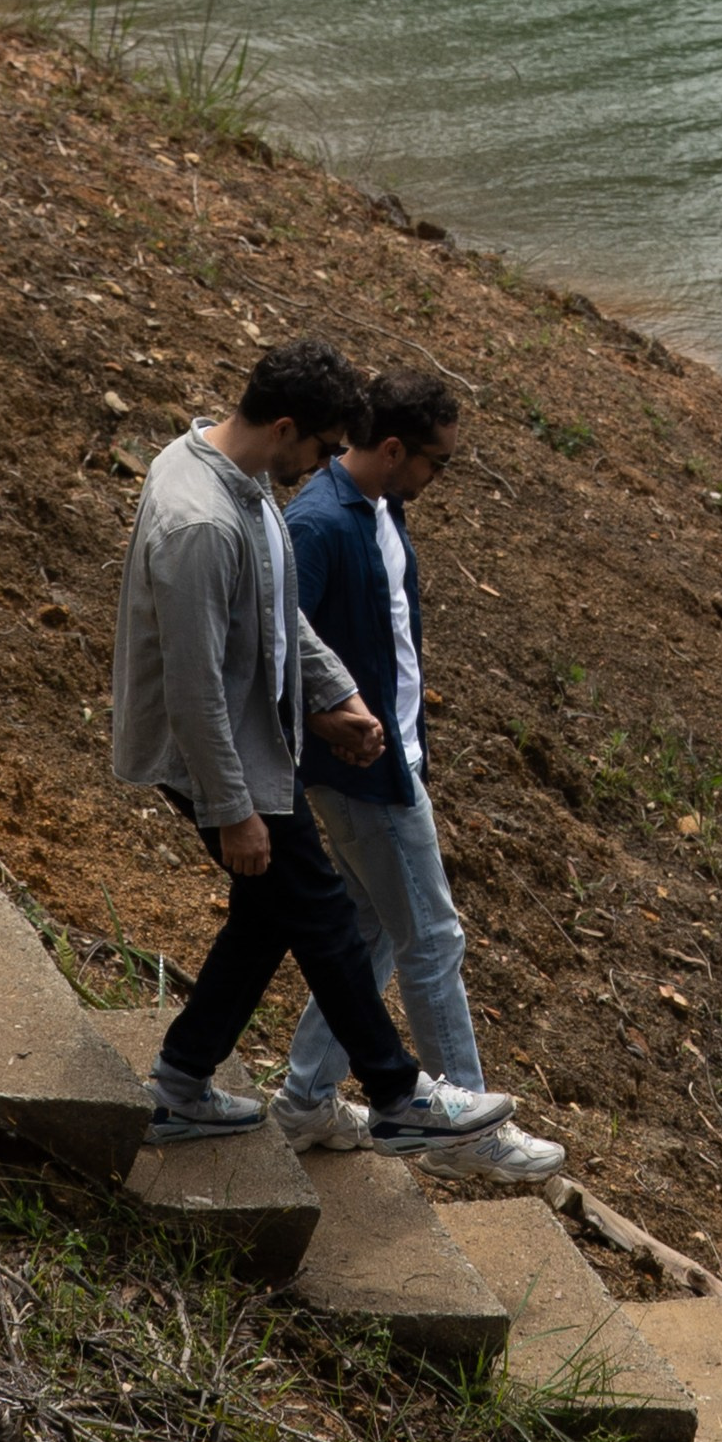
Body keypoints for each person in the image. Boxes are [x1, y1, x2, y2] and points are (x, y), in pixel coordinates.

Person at [111, 336, 516, 1157]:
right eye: (326, 448)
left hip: (251, 734)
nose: (329, 463)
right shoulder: (201, 523)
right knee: (326, 913)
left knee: (268, 916)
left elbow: (279, 609)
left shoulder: (242, 483)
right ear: (287, 425)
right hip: (218, 752)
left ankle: (178, 1086)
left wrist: (333, 694)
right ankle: (401, 1095)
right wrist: (233, 812)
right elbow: (193, 690)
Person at [275, 363, 567, 1189]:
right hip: (360, 772)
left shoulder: (381, 505)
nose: (441, 478)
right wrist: (338, 715)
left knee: (368, 929)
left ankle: (304, 1101)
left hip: (395, 759)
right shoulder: (319, 524)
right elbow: (276, 631)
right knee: (432, 938)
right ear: (395, 448)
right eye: (438, 462)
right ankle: (463, 1130)